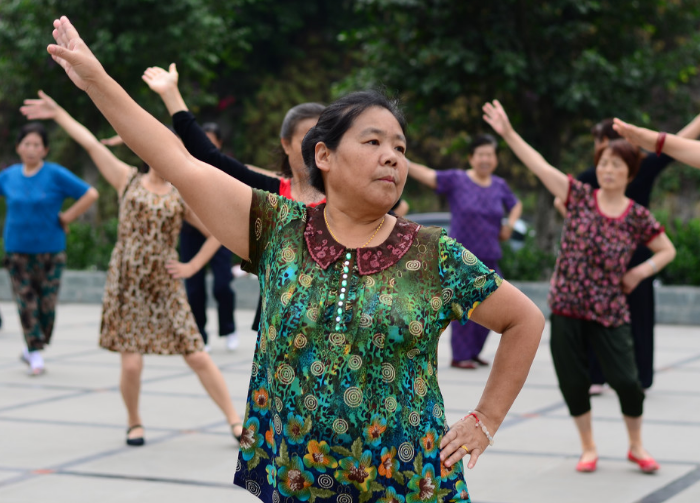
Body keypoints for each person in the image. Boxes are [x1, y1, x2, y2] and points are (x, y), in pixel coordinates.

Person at [48, 17, 545, 502]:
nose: (392, 156)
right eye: (373, 142)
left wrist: (486, 419)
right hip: (298, 480)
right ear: (323, 156)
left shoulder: (434, 253)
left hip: (407, 484)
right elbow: (176, 159)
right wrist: (95, 80)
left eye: (400, 147)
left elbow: (524, 319)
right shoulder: (277, 229)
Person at [20, 90, 244, 446]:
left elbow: (218, 231)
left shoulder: (180, 194)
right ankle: (134, 421)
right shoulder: (127, 179)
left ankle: (235, 421)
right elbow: (91, 143)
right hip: (126, 282)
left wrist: (192, 266)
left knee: (197, 354)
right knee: (131, 364)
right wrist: (59, 112)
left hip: (164, 284)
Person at [483, 99, 676, 474]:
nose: (606, 169)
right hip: (568, 306)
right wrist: (508, 133)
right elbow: (539, 166)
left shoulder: (637, 215)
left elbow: (666, 249)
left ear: (629, 172)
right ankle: (588, 447)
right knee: (573, 382)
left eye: (615, 164)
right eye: (603, 162)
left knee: (628, 381)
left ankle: (636, 445)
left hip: (609, 309)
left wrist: (639, 273)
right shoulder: (579, 197)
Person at [143, 64, 409, 332]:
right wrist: (171, 95)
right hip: (281, 327)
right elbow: (210, 158)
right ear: (286, 143)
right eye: (308, 135)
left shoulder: (353, 199)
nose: (316, 144)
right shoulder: (271, 194)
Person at [555, 115, 700, 392]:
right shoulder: (641, 166)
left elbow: (560, 201)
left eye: (599, 142)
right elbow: (677, 144)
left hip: (606, 259)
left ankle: (598, 378)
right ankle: (639, 378)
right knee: (637, 317)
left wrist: (584, 229)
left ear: (608, 142)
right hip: (637, 254)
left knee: (597, 314)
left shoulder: (593, 174)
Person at [408, 135, 522, 369]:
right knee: (463, 308)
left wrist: (509, 224)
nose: (485, 159)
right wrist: (399, 158)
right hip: (460, 258)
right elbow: (429, 175)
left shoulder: (500, 185)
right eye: (480, 154)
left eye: (489, 154)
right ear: (471, 158)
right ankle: (461, 356)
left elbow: (516, 204)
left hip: (489, 254)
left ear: (496, 159)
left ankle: (474, 351)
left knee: (493, 304)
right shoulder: (457, 180)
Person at [1, 121, 98, 376]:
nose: (31, 149)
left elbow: (90, 194)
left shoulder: (55, 174)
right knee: (26, 302)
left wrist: (66, 217)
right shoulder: (9, 176)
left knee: (47, 305)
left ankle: (33, 346)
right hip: (17, 250)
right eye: (27, 144)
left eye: (37, 144)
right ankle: (34, 353)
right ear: (18, 147)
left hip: (51, 250)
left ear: (45, 149)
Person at [179, 120, 239, 351]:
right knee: (194, 287)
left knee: (222, 286)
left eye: (210, 142)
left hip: (221, 233)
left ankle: (229, 328)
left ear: (219, 144)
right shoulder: (186, 166)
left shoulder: (227, 167)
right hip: (192, 234)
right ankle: (200, 334)